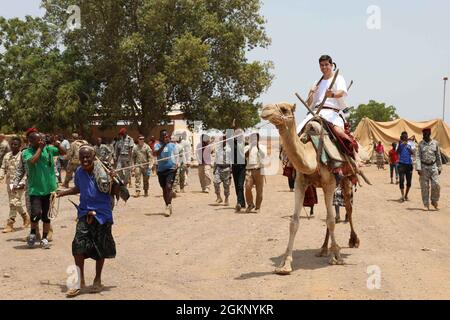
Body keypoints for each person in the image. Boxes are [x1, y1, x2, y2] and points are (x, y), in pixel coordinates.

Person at [57, 145, 119, 297]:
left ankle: (97, 280)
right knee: (78, 245)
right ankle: (79, 282)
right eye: (82, 157)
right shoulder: (78, 171)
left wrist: (114, 180)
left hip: (102, 215)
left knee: (101, 247)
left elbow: (115, 191)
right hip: (85, 212)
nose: (85, 160)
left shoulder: (103, 171)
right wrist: (63, 193)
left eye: (88, 157)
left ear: (94, 157)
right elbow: (79, 188)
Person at [20, 130, 66, 248]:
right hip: (35, 190)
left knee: (46, 216)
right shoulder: (27, 152)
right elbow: (32, 161)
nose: (41, 141)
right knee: (35, 214)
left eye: (41, 139)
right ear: (31, 141)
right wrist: (40, 148)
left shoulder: (48, 149)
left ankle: (45, 238)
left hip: (49, 189)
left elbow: (63, 153)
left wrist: (57, 144)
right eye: (38, 140)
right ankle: (32, 234)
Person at [297, 55, 348, 134]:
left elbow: (341, 92)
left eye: (326, 64)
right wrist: (310, 92)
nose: (324, 67)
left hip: (332, 114)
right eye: (321, 65)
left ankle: (352, 146)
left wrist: (332, 94)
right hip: (316, 113)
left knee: (340, 133)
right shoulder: (316, 84)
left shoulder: (338, 78)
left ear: (331, 65)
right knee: (298, 131)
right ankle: (277, 145)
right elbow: (309, 104)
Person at [0, 137, 30, 233]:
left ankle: (10, 223)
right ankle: (25, 216)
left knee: (14, 202)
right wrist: (0, 176)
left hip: (19, 183)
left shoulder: (23, 156)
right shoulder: (7, 156)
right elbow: (3, 167)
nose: (13, 146)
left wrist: (23, 182)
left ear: (20, 146)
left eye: (15, 144)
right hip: (10, 183)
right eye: (12, 144)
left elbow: (27, 171)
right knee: (13, 202)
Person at [416, 128, 442, 210]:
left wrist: (440, 166)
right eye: (423, 134)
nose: (424, 135)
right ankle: (426, 205)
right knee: (425, 187)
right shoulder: (420, 144)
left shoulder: (435, 143)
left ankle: (434, 201)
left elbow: (438, 156)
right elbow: (418, 157)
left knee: (436, 185)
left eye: (426, 134)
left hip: (433, 167)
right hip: (424, 167)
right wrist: (418, 168)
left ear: (429, 134)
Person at [153, 130, 178, 217]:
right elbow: (155, 154)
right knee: (164, 189)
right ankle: (167, 204)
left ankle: (168, 205)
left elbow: (176, 154)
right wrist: (163, 144)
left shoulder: (172, 145)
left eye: (168, 136)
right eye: (165, 136)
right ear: (161, 137)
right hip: (161, 170)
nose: (167, 138)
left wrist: (176, 164)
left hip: (170, 168)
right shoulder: (157, 145)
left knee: (168, 186)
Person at [244, 133, 267, 214]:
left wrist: (257, 147)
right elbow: (244, 156)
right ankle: (250, 204)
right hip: (249, 170)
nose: (254, 139)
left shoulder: (262, 147)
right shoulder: (247, 147)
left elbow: (264, 156)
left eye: (256, 138)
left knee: (259, 190)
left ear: (258, 139)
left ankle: (258, 207)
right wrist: (250, 148)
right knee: (247, 187)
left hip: (259, 170)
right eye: (252, 137)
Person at [213, 135, 232, 206]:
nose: (223, 141)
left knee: (226, 185)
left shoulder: (229, 149)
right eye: (221, 140)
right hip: (218, 168)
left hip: (226, 168)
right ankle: (219, 197)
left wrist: (231, 170)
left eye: (224, 139)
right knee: (215, 182)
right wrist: (214, 169)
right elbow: (216, 159)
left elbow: (231, 160)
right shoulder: (218, 149)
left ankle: (226, 198)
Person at [396, 131, 415, 202]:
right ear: (402, 137)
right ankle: (403, 195)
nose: (405, 138)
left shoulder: (411, 143)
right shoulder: (400, 143)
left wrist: (407, 146)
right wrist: (400, 144)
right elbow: (397, 152)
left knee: (409, 182)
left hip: (409, 164)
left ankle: (406, 195)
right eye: (403, 137)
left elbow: (413, 153)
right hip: (401, 164)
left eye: (406, 136)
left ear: (407, 137)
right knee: (401, 180)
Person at [231, 128, 246, 212]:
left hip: (242, 167)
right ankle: (242, 203)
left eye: (240, 133)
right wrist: (232, 128)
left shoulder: (245, 143)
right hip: (234, 166)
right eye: (237, 133)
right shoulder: (232, 143)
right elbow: (229, 135)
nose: (239, 134)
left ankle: (239, 203)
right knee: (237, 186)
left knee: (240, 185)